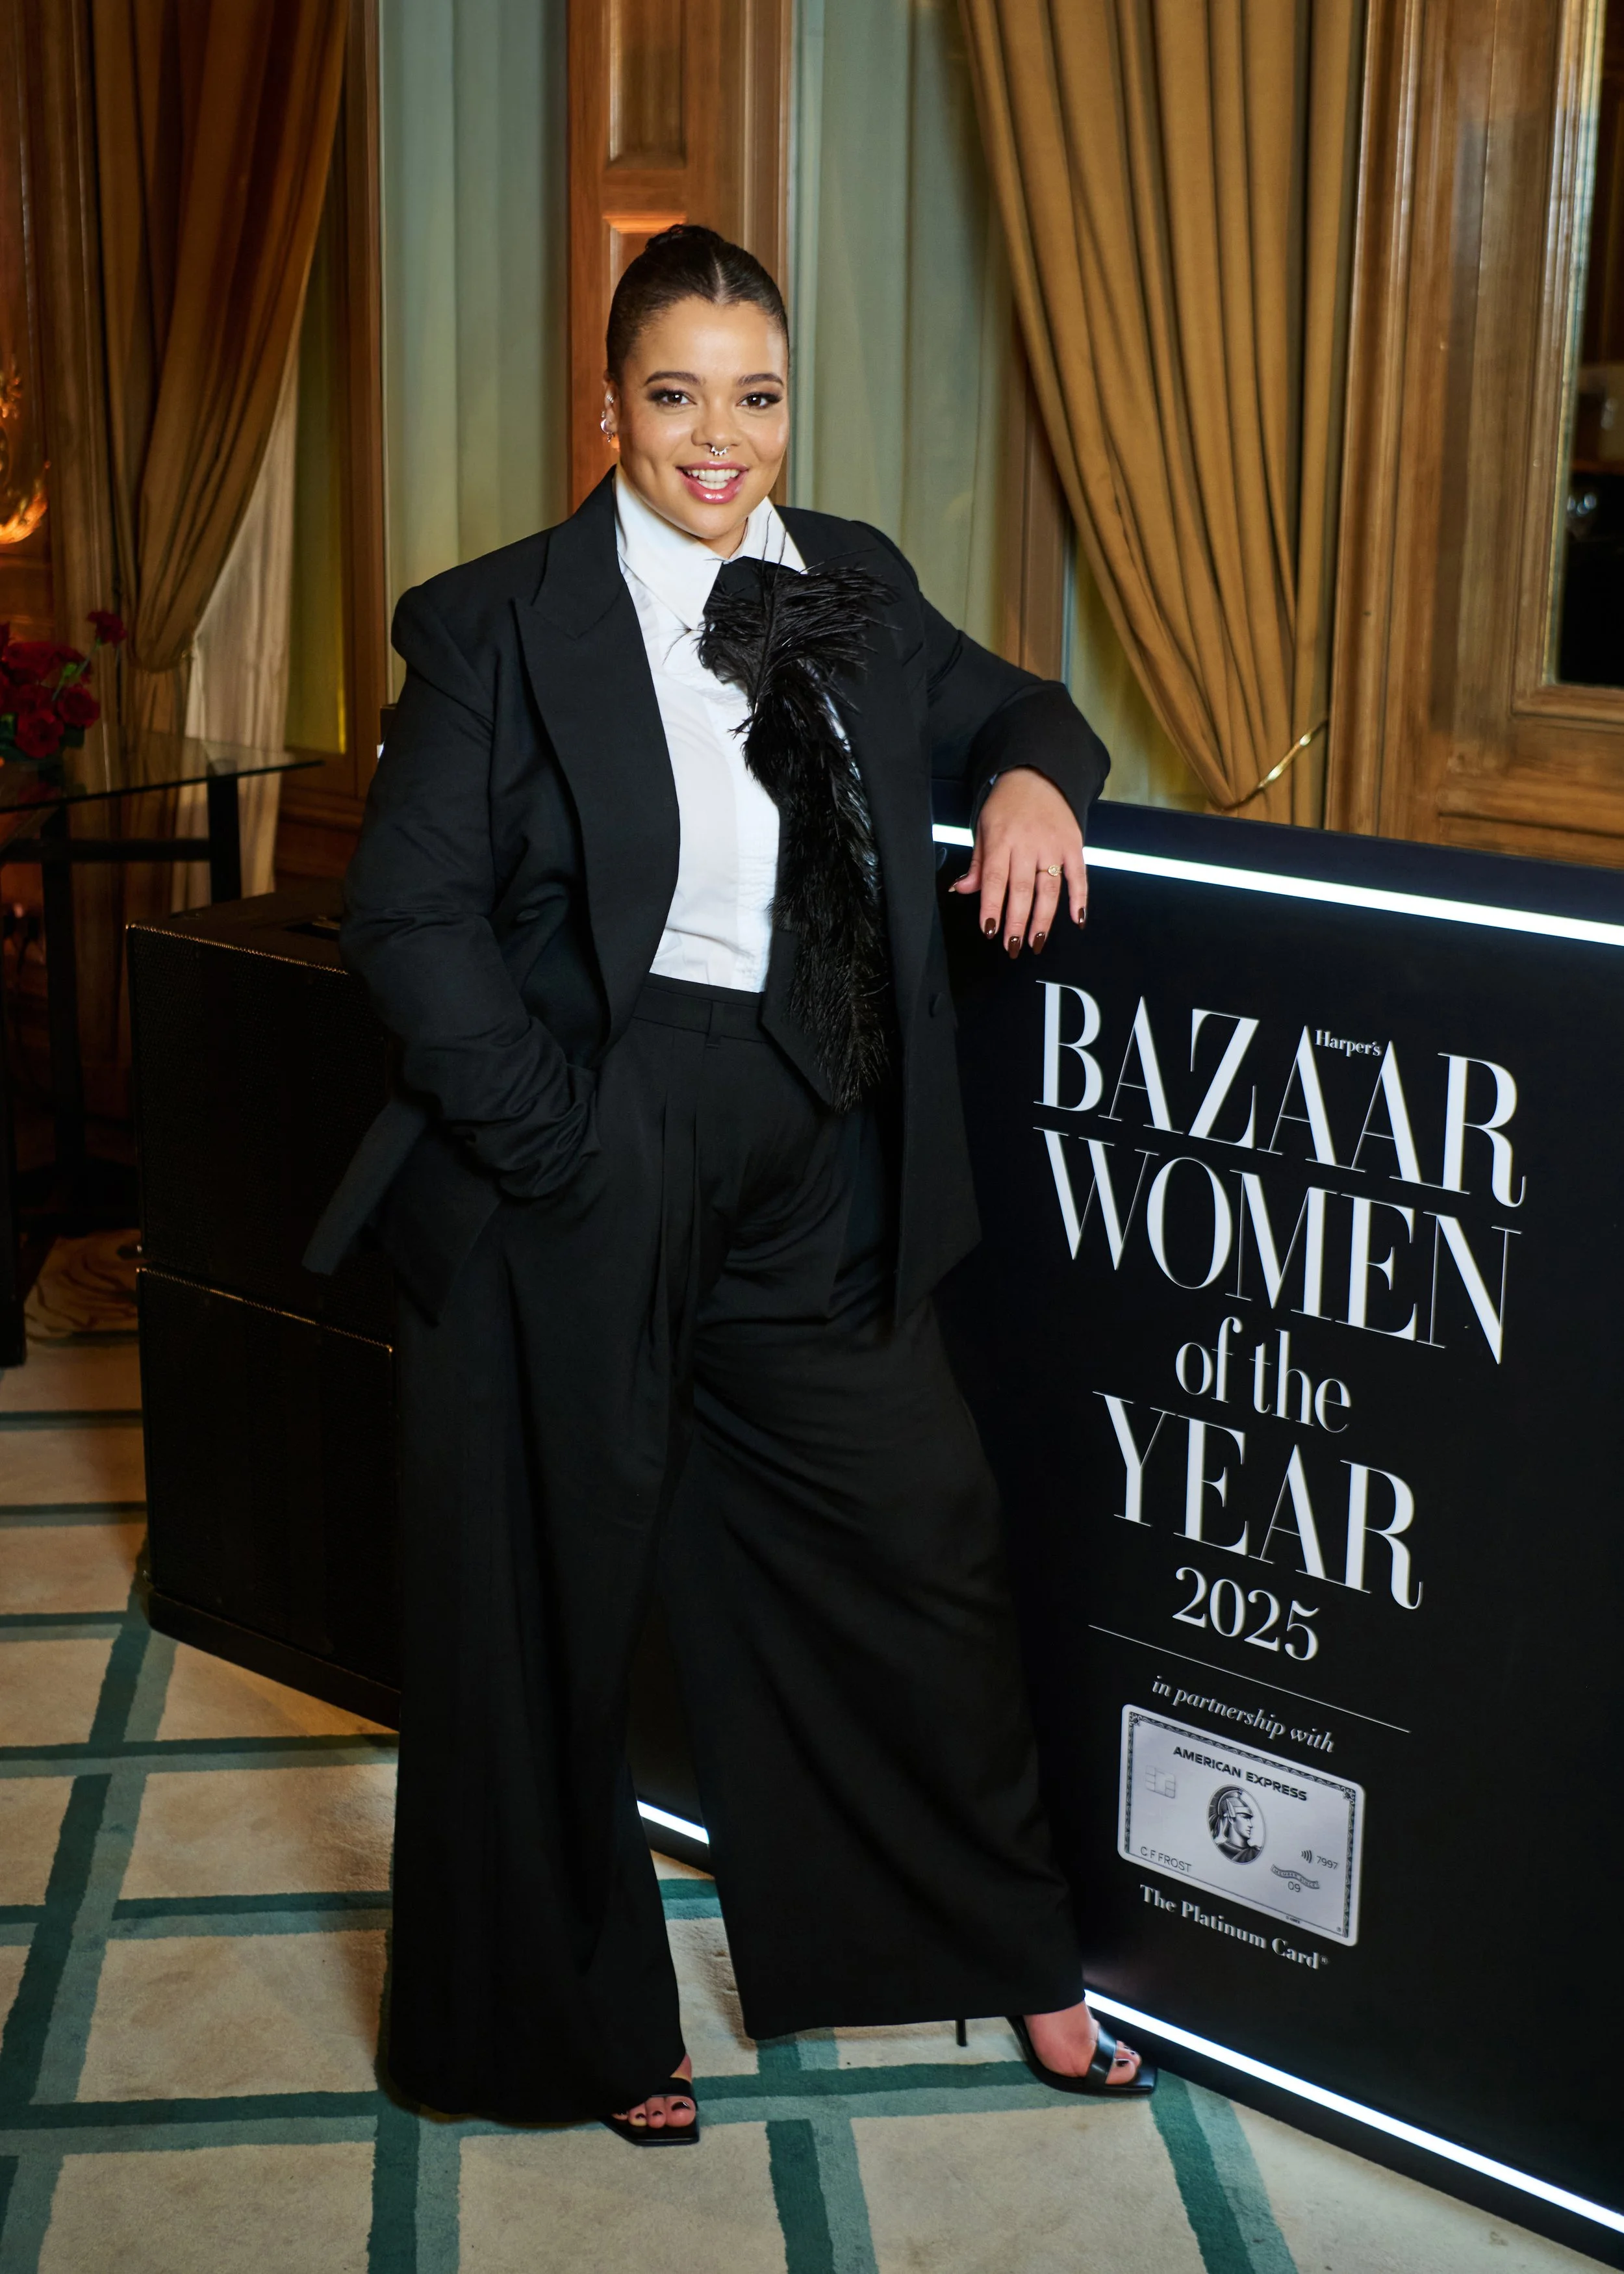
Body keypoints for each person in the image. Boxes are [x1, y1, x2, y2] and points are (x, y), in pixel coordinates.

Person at [307, 224, 1154, 2141]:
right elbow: (408, 918)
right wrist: (568, 1144)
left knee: (917, 1537)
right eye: (675, 394)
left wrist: (1034, 783)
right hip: (585, 1132)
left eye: (752, 396)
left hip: (814, 1130)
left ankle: (1002, 1951)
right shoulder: (493, 622)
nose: (718, 439)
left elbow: (1021, 706)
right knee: (547, 1605)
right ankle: (574, 2021)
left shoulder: (846, 580)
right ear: (606, 406)